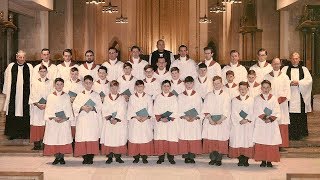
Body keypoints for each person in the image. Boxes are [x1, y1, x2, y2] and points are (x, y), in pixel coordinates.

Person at [3, 50, 33, 140]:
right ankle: (13, 133)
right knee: (13, 111)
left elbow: (32, 80)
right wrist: (6, 92)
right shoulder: (11, 66)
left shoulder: (29, 67)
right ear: (17, 57)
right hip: (13, 95)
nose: (22, 59)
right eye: (20, 57)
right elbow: (6, 79)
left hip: (26, 94)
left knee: (25, 112)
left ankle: (25, 133)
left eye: (23, 57)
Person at [281, 52, 312, 140]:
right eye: (293, 58)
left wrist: (299, 82)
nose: (295, 60)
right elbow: (281, 79)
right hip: (289, 95)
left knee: (300, 114)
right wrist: (289, 82)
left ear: (299, 59)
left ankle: (300, 133)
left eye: (297, 58)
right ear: (290, 59)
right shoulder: (285, 69)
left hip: (300, 94)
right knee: (289, 114)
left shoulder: (304, 69)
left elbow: (309, 81)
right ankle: (289, 134)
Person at [73, 75, 103, 164]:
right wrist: (82, 107)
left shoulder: (96, 95)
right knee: (83, 137)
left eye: (90, 83)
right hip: (82, 120)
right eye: (86, 83)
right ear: (83, 83)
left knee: (91, 137)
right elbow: (75, 106)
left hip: (92, 120)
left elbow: (100, 107)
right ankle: (85, 157)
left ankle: (90, 157)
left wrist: (93, 107)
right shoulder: (79, 95)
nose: (88, 85)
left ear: (92, 83)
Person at [43, 78, 74, 165]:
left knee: (62, 139)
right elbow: (48, 109)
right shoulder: (50, 96)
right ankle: (57, 157)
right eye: (57, 84)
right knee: (55, 139)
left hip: (63, 121)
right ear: (54, 85)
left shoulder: (66, 96)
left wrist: (64, 118)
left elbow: (68, 109)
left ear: (63, 85)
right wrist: (53, 117)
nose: (59, 86)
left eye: (61, 84)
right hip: (53, 122)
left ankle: (62, 157)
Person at [202, 76, 231, 166]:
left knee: (220, 140)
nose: (216, 85)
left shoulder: (226, 95)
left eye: (218, 83)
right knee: (211, 140)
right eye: (214, 83)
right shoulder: (209, 95)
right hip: (210, 121)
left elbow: (227, 109)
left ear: (222, 84)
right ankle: (212, 158)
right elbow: (205, 108)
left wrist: (220, 120)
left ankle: (219, 158)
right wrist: (210, 119)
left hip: (221, 121)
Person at [253, 80, 281, 168]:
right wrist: (265, 118)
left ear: (270, 88)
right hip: (261, 123)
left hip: (271, 124)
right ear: (261, 88)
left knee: (270, 141)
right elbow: (257, 109)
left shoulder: (274, 98)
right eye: (264, 87)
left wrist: (271, 119)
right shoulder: (257, 98)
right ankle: (262, 160)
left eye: (267, 87)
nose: (265, 89)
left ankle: (269, 160)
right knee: (262, 140)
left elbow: (277, 110)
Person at [264, 58, 291, 150]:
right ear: (271, 64)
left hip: (281, 104)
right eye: (274, 64)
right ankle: (270, 143)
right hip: (269, 104)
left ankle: (281, 145)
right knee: (270, 121)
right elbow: (264, 89)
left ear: (280, 65)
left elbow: (287, 91)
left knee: (281, 122)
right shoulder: (266, 76)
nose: (276, 65)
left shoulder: (285, 77)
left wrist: (279, 100)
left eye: (278, 64)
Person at [127, 80, 154, 164]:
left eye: (141, 86)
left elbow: (150, 109)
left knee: (144, 138)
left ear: (144, 87)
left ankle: (144, 156)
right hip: (135, 121)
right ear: (135, 87)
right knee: (136, 138)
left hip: (145, 121)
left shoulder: (148, 97)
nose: (139, 88)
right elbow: (130, 109)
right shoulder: (132, 97)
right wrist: (136, 116)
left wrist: (146, 117)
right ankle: (136, 156)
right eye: (138, 86)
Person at [101, 80, 127, 164]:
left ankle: (118, 156)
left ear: (118, 88)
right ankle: (109, 156)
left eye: (115, 87)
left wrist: (117, 119)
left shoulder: (122, 98)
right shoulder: (106, 97)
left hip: (118, 122)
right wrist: (110, 118)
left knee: (118, 138)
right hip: (109, 122)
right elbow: (104, 109)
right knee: (109, 138)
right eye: (112, 87)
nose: (113, 89)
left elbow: (122, 109)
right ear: (109, 88)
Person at [229, 81, 255, 167]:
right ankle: (240, 158)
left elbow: (253, 111)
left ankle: (246, 159)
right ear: (238, 89)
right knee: (239, 140)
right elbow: (233, 112)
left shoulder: (252, 100)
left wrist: (247, 119)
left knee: (246, 141)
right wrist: (240, 119)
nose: (242, 90)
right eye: (241, 89)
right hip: (238, 124)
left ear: (247, 89)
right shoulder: (234, 100)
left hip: (248, 124)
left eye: (244, 89)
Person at [178, 76, 203, 163]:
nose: (189, 85)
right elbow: (178, 108)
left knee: (193, 137)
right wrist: (185, 116)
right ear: (184, 84)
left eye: (190, 83)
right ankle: (186, 155)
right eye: (187, 83)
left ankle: (192, 156)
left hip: (194, 120)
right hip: (184, 120)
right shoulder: (180, 96)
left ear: (193, 84)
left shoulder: (197, 95)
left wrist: (194, 117)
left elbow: (200, 108)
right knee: (185, 136)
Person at [153, 80, 179, 164]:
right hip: (160, 122)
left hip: (170, 122)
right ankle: (161, 157)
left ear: (170, 87)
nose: (166, 88)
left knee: (170, 138)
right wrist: (160, 118)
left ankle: (171, 157)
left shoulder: (174, 97)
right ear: (161, 87)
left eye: (168, 86)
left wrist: (168, 118)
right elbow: (155, 109)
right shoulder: (158, 97)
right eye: (164, 86)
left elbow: (175, 109)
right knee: (161, 138)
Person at [29, 65, 53, 150]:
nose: (43, 73)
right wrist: (37, 104)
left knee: (45, 124)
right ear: (38, 72)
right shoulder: (35, 82)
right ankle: (36, 144)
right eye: (41, 71)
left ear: (47, 72)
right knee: (36, 124)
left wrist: (47, 104)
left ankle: (45, 143)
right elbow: (32, 94)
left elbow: (52, 94)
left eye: (44, 71)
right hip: (36, 107)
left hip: (47, 107)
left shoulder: (51, 82)